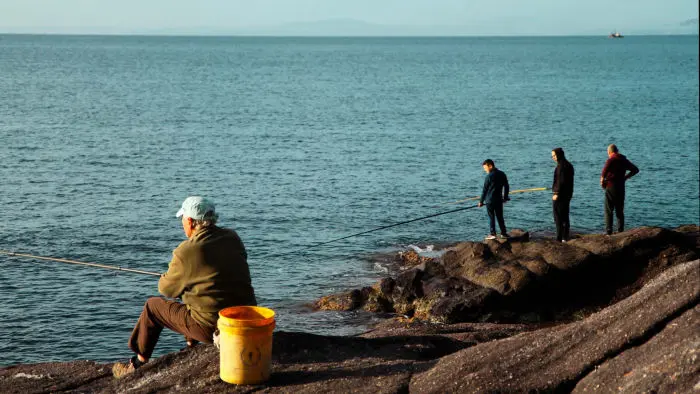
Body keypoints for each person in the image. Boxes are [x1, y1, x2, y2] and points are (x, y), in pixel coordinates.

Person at [112, 196, 257, 378]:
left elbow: (165, 289)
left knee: (153, 307)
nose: (182, 223)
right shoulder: (233, 237)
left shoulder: (186, 251)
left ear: (190, 221)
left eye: (182, 219)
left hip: (214, 327)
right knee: (194, 290)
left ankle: (137, 364)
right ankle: (191, 345)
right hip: (246, 317)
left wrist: (169, 278)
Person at [600, 144, 639, 235]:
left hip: (611, 186)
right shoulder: (623, 160)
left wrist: (602, 181)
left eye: (608, 153)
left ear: (609, 152)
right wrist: (626, 177)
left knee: (609, 209)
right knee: (619, 210)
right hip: (621, 186)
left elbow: (604, 172)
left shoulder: (611, 160)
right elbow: (635, 170)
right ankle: (620, 230)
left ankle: (608, 231)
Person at [478, 159, 510, 240]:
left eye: (485, 168)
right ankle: (503, 233)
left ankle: (493, 234)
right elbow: (506, 186)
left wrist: (481, 202)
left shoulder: (489, 176)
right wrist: (505, 197)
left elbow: (484, 190)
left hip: (489, 200)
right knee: (500, 217)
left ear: (490, 166)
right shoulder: (502, 174)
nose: (485, 170)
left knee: (491, 217)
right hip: (499, 200)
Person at [551, 148, 575, 242]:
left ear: (559, 155)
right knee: (565, 216)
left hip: (560, 195)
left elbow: (561, 181)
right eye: (552, 156)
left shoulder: (561, 166)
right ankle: (565, 237)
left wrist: (556, 193)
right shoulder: (569, 165)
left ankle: (559, 238)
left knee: (558, 217)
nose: (553, 157)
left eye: (554, 155)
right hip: (568, 194)